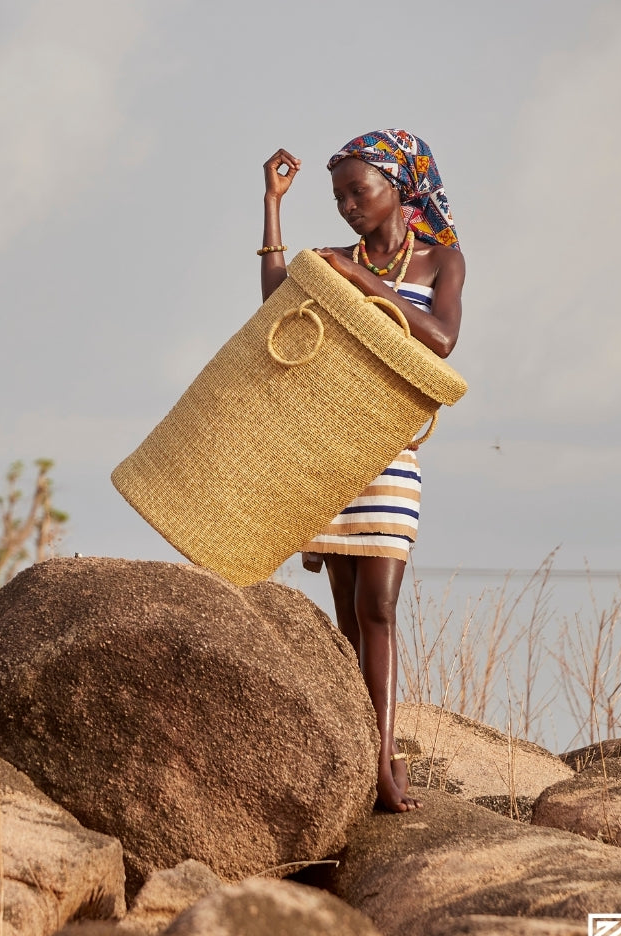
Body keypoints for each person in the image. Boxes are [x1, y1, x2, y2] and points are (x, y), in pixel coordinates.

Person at [259, 129, 465, 813]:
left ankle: (381, 764)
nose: (347, 205)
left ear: (400, 187)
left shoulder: (441, 262)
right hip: (332, 451)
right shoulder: (335, 258)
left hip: (391, 454)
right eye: (340, 195)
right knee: (349, 617)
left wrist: (361, 280)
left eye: (359, 190)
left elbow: (440, 342)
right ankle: (367, 759)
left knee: (379, 606)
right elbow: (276, 312)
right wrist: (273, 207)